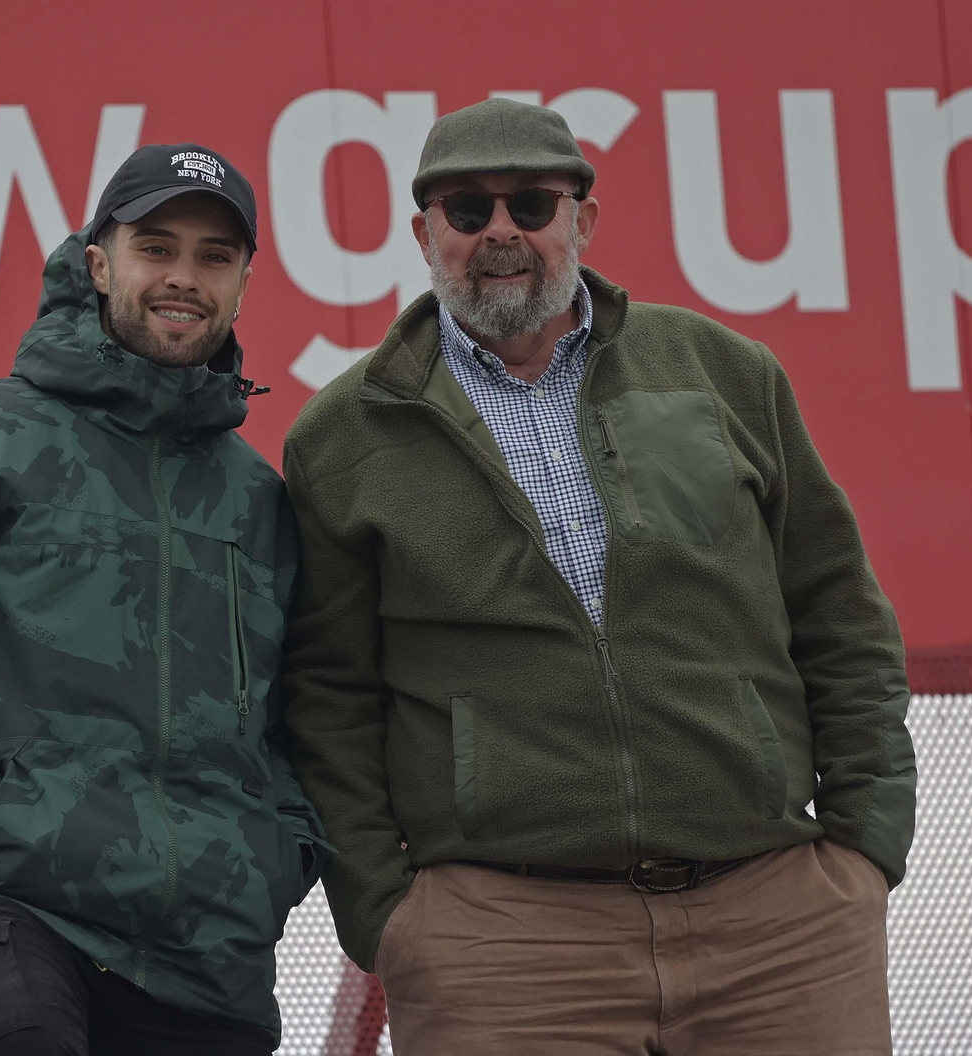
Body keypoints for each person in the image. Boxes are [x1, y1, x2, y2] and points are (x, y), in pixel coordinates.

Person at [283, 97, 915, 1055]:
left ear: (583, 218)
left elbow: (837, 611)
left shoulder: (718, 375)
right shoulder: (345, 438)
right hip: (503, 952)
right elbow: (329, 698)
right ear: (423, 234)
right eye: (466, 211)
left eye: (533, 203)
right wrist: (390, 919)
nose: (501, 231)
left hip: (778, 928)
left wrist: (865, 847)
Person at [0, 142, 326, 1056]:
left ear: (245, 279)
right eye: (155, 247)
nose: (183, 277)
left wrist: (274, 856)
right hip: (10, 903)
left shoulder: (261, 499)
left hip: (207, 949)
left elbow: (307, 720)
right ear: (98, 262)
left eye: (214, 257)